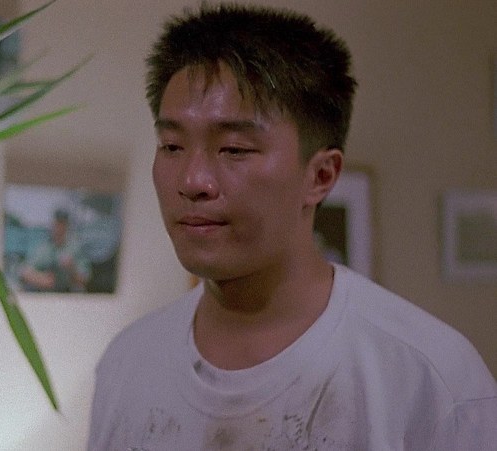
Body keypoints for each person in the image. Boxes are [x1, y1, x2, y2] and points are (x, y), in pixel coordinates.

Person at [88, 4, 497, 450]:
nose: (192, 181)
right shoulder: (128, 363)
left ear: (320, 176)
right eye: (171, 146)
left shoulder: (430, 377)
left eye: (234, 149)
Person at [19, 209, 91, 292]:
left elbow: (84, 279)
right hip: (46, 292)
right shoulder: (44, 247)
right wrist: (42, 279)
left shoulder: (76, 248)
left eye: (63, 224)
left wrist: (72, 269)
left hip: (68, 293)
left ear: (67, 226)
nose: (59, 228)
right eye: (57, 224)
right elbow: (24, 271)